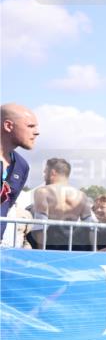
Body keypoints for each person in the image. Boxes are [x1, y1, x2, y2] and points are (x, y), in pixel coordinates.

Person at [30, 157, 93, 250]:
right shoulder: (81, 195)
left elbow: (41, 225)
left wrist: (41, 252)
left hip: (50, 244)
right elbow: (91, 228)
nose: (44, 176)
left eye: (45, 172)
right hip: (73, 245)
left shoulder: (43, 192)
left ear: (53, 173)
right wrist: (94, 250)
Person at [1, 103, 39, 247]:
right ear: (8, 126)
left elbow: (7, 206)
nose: (36, 132)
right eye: (30, 126)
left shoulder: (22, 166)